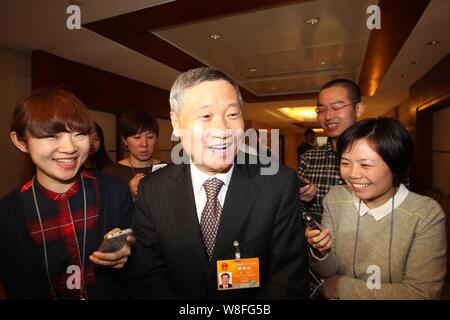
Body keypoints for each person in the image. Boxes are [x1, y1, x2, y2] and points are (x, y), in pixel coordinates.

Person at [129, 67, 309, 299]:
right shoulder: (153, 190)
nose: (222, 130)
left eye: (232, 115)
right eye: (205, 116)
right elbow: (147, 279)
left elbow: (288, 281)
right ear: (176, 122)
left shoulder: (278, 184)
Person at [0, 88, 135, 299]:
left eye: (79, 134)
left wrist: (127, 255)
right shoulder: (7, 215)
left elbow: (142, 268)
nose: (70, 147)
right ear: (21, 141)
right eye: (52, 136)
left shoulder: (115, 192)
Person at [306, 118, 447, 299]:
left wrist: (342, 287)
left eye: (365, 164)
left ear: (396, 166)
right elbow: (328, 271)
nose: (353, 174)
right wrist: (321, 250)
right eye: (345, 163)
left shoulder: (425, 214)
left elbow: (422, 294)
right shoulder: (336, 198)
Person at [297, 79, 364, 222]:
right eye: (321, 110)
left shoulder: (381, 156)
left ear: (358, 109)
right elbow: (295, 213)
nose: (327, 116)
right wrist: (302, 199)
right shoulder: (309, 159)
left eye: (337, 107)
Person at [102, 110, 165, 200]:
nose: (144, 144)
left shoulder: (166, 169)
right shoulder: (110, 173)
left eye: (150, 137)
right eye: (136, 137)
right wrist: (128, 194)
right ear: (124, 140)